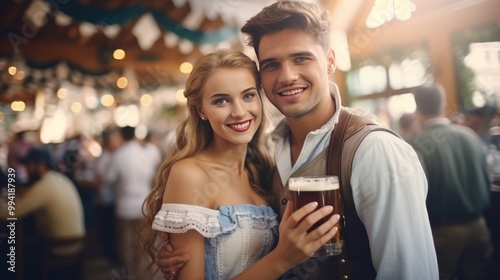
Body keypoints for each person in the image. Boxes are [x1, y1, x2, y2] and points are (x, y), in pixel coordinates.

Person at [156, 1, 438, 279]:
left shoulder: (375, 151)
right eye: (271, 64)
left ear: (329, 60)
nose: (287, 76)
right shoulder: (266, 153)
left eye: (301, 58)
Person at [137, 49, 339, 280]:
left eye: (248, 95)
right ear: (201, 110)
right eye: (221, 100)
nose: (240, 112)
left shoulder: (260, 168)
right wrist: (283, 258)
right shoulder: (190, 174)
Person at [409, 83, 493, 280]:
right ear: (444, 104)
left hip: (441, 234)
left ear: (417, 108)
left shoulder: (415, 145)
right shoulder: (471, 136)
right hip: (479, 226)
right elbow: (486, 179)